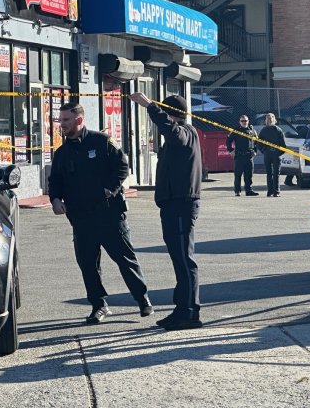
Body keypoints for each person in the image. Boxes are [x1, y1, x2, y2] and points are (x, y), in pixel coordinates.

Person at [48, 102, 152, 324]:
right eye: (60, 120)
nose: (62, 124)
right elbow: (55, 180)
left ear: (79, 120)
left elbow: (122, 167)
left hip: (109, 215)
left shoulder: (101, 142)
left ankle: (142, 299)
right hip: (81, 218)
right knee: (88, 264)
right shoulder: (62, 153)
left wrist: (110, 189)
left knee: (125, 259)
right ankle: (99, 305)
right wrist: (55, 199)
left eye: (66, 120)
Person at [130, 93, 203, 331]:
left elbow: (171, 131)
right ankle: (181, 309)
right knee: (178, 259)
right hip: (173, 204)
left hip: (182, 204)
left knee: (184, 260)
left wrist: (150, 106)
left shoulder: (185, 132)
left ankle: (190, 312)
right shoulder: (180, 134)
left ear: (171, 113)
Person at [226, 115, 259, 196]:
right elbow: (228, 141)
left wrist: (255, 151)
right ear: (239, 122)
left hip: (249, 156)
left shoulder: (252, 131)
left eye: (246, 121)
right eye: (242, 121)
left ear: (248, 121)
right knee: (238, 175)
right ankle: (237, 191)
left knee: (249, 175)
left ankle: (249, 190)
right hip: (239, 156)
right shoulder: (236, 130)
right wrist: (230, 150)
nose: (244, 122)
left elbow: (256, 142)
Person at [257, 113, 287, 197]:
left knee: (270, 173)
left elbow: (259, 144)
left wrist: (264, 150)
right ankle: (275, 191)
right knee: (275, 173)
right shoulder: (278, 130)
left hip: (269, 154)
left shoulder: (265, 130)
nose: (269, 120)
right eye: (269, 119)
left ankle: (270, 191)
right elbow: (283, 145)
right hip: (274, 154)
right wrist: (278, 153)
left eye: (270, 119)